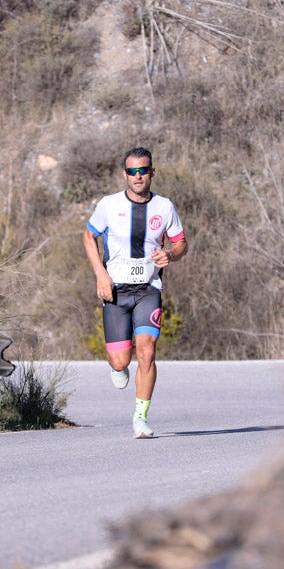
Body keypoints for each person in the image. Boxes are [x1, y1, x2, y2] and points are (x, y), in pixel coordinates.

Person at [82, 147, 188, 439]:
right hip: (116, 291)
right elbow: (89, 236)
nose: (138, 176)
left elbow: (181, 243)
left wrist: (171, 254)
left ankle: (140, 418)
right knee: (119, 361)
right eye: (132, 171)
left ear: (152, 172)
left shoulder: (164, 207)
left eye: (143, 170)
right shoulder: (109, 204)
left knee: (147, 352)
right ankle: (118, 367)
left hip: (148, 290)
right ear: (125, 174)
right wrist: (100, 274)